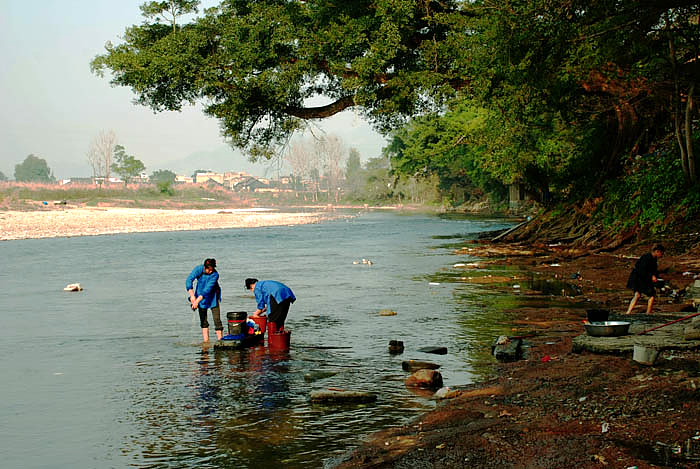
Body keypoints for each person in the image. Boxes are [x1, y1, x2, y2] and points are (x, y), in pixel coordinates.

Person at [186, 258, 223, 341]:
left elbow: (207, 290)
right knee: (203, 320)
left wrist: (196, 301)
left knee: (217, 319)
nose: (210, 272)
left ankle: (220, 339)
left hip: (213, 297)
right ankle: (206, 341)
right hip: (200, 296)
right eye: (208, 270)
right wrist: (192, 296)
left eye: (212, 270)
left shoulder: (215, 275)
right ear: (205, 267)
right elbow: (189, 280)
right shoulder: (199, 269)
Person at [625, 244, 665, 315]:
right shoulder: (646, 257)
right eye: (661, 253)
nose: (662, 255)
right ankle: (648, 313)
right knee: (651, 295)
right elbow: (641, 269)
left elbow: (653, 270)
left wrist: (655, 276)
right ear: (657, 251)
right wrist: (651, 276)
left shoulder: (653, 259)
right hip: (639, 278)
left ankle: (629, 312)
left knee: (637, 295)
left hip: (643, 278)